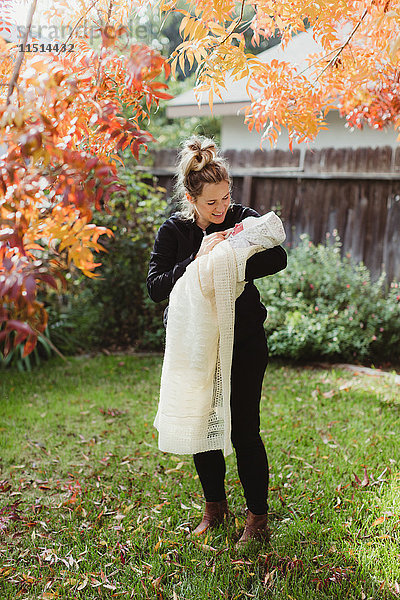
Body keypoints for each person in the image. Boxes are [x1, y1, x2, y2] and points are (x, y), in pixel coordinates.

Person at [146, 136, 287, 546]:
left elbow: (278, 257)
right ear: (191, 198)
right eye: (211, 203)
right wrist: (199, 258)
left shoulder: (241, 218)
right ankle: (215, 508)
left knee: (244, 430)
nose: (222, 208)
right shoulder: (174, 231)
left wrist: (232, 254)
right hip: (195, 345)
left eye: (226, 197)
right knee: (202, 425)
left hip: (243, 342)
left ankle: (257, 520)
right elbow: (156, 287)